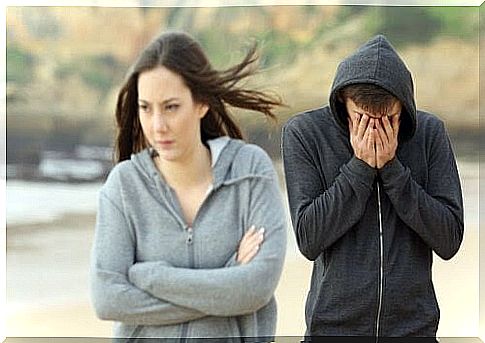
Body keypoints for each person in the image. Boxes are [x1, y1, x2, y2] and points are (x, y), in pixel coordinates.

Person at [90, 31, 287, 342]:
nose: (157, 126)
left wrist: (151, 276)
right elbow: (107, 299)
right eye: (145, 108)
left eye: (171, 107)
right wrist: (229, 276)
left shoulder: (250, 171)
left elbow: (256, 288)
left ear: (201, 103)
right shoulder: (125, 185)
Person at [281, 34, 464, 340]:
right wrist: (360, 168)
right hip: (331, 331)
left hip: (415, 331)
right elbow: (309, 238)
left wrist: (392, 170)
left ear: (404, 107)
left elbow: (449, 239)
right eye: (363, 119)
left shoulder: (429, 133)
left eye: (389, 118)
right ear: (342, 101)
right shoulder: (305, 134)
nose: (376, 130)